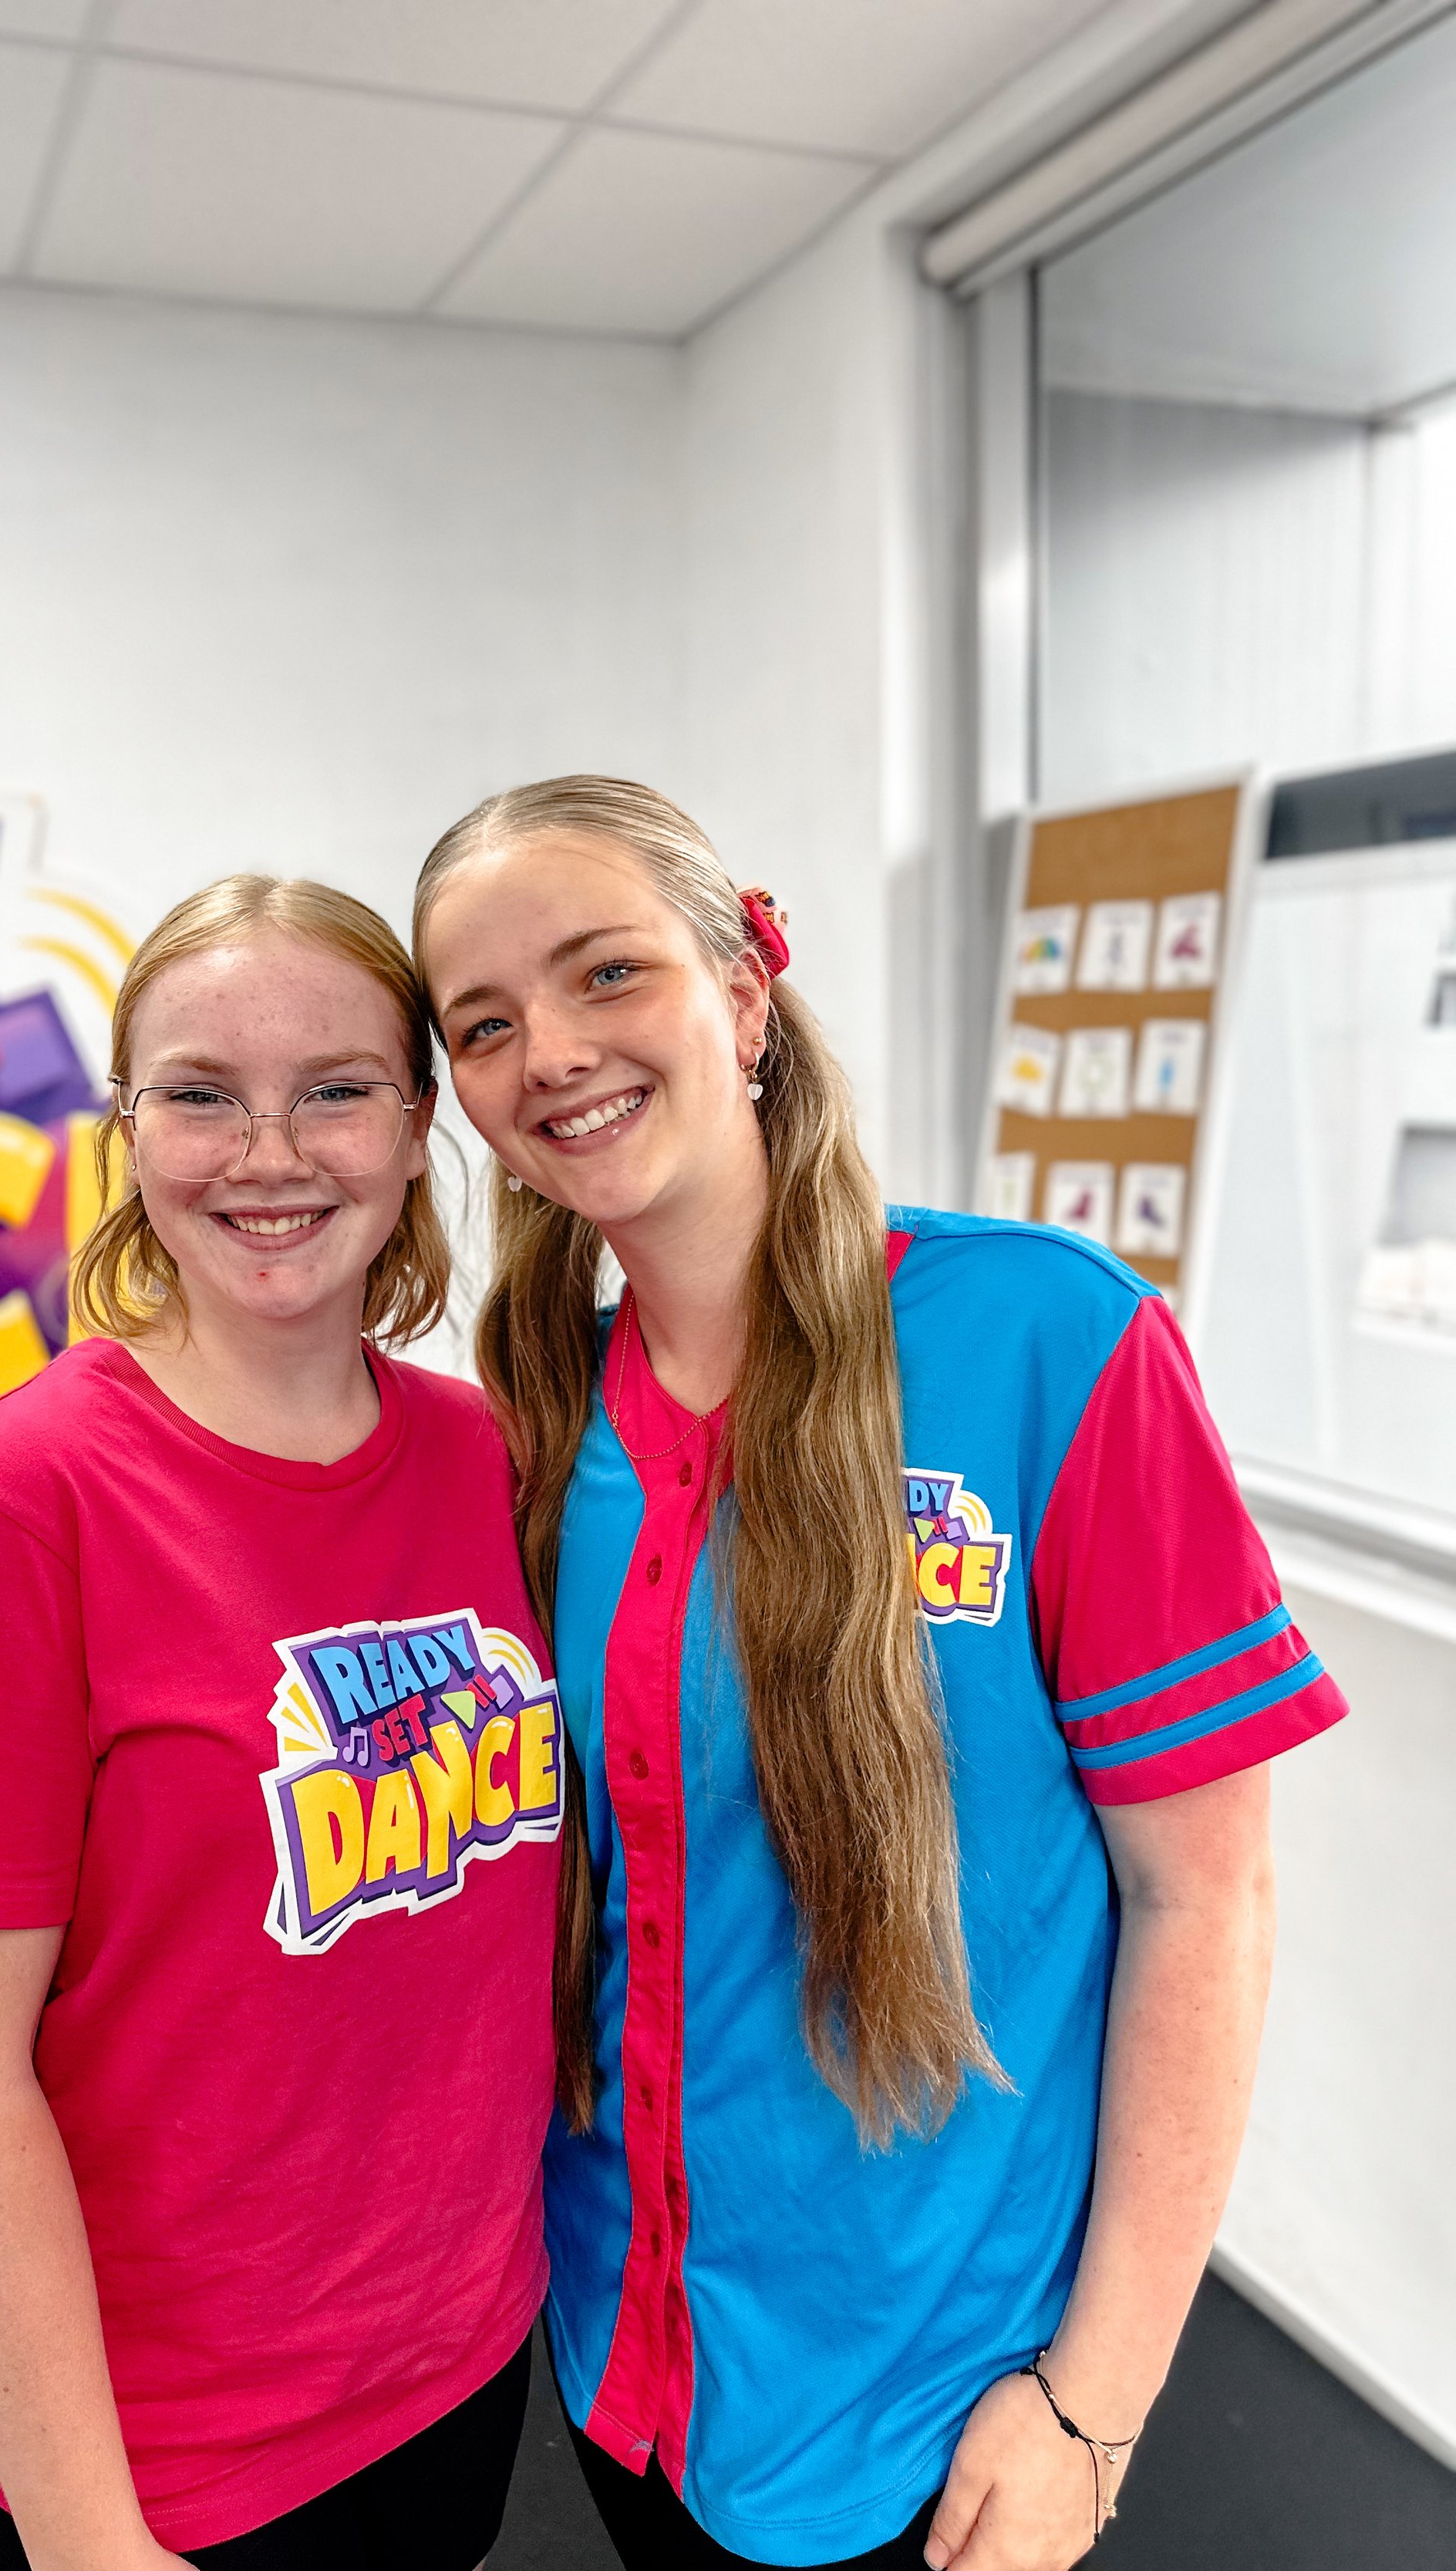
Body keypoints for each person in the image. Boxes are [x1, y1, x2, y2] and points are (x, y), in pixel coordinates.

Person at [413, 777, 1347, 2571]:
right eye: (484, 1022)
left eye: (606, 971)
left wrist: (1095, 2402)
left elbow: (1201, 1892)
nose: (551, 1050)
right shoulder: (526, 1422)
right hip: (629, 2367)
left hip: (941, 2406)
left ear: (742, 995)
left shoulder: (1047, 1340)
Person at [0, 876, 566, 2571]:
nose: (268, 1152)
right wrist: (93, 2535)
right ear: (127, 1124)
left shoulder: (490, 1459)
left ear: (412, 1121)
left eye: (334, 1086)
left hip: (453, 2359)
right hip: (168, 2454)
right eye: (200, 1094)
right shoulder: (15, 1508)